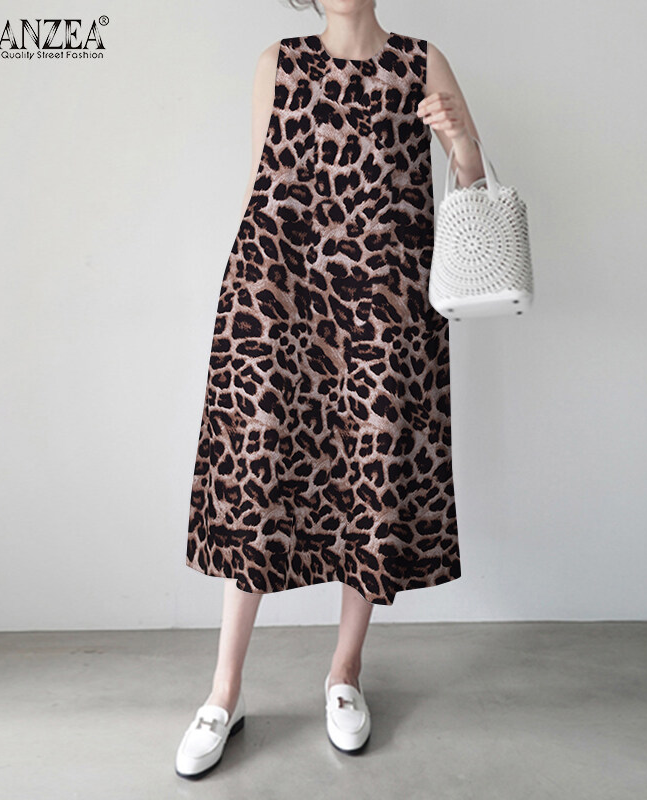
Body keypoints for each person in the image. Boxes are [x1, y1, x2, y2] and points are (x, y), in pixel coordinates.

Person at [176, 0, 486, 779]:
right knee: (257, 479)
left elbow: (472, 186)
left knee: (370, 477)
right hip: (280, 302)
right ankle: (223, 692)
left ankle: (344, 673)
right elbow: (259, 192)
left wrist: (461, 143)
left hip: (385, 311)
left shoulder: (421, 62)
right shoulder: (278, 62)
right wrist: (243, 307)